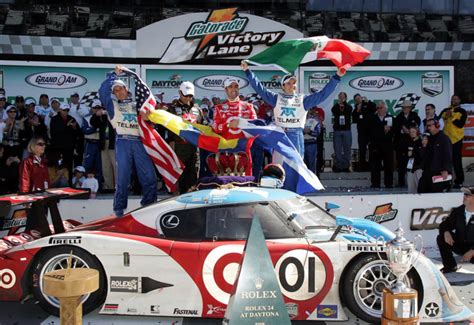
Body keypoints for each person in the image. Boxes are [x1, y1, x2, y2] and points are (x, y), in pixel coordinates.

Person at [241, 60, 344, 156]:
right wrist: (247, 71)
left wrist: (337, 77)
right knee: (279, 168)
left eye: (294, 83)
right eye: (289, 83)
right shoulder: (276, 98)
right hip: (280, 134)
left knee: (296, 168)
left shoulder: (303, 99)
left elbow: (323, 94)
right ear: (283, 86)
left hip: (296, 135)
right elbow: (260, 89)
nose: (292, 85)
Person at [99, 65, 157, 216]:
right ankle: (119, 210)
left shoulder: (137, 104)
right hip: (123, 141)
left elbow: (151, 120)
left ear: (127, 89)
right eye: (115, 91)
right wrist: (113, 75)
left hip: (139, 141)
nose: (118, 92)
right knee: (123, 178)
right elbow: (103, 91)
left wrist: (149, 117)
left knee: (149, 176)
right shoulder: (112, 106)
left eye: (120, 89)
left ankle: (148, 205)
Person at [211, 78, 261, 178]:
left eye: (236, 86)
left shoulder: (248, 106)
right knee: (226, 182)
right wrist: (228, 125)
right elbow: (215, 128)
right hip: (226, 151)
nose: (234, 89)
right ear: (225, 90)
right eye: (230, 87)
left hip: (244, 150)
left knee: (245, 180)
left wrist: (246, 125)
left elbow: (256, 127)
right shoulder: (219, 108)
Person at [167, 81, 202, 193]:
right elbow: (167, 129)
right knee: (180, 177)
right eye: (185, 95)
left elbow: (203, 127)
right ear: (179, 93)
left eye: (190, 95)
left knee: (193, 178)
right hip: (179, 147)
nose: (188, 98)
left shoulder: (197, 109)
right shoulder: (172, 109)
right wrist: (171, 143)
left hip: (194, 147)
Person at [436, 186, 474, 274]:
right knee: (441, 238)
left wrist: (472, 251)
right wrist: (446, 232)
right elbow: (445, 224)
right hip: (461, 245)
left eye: (467, 195)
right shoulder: (458, 211)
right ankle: (450, 266)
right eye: (464, 194)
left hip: (472, 250)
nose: (464, 196)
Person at [418, 118, 453, 193]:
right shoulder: (428, 139)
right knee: (421, 190)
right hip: (427, 172)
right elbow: (423, 156)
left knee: (436, 194)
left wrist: (445, 169)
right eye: (427, 126)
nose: (428, 128)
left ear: (437, 125)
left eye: (430, 125)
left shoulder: (444, 138)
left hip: (438, 172)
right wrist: (424, 146)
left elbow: (448, 155)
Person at [440, 95, 467, 188]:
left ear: (459, 100)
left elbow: (460, 124)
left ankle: (459, 181)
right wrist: (446, 116)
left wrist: (452, 117)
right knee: (446, 161)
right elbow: (440, 118)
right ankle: (446, 181)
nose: (453, 100)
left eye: (455, 99)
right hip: (446, 139)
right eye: (452, 99)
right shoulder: (447, 109)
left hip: (456, 139)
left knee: (456, 161)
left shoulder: (462, 111)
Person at [393, 100, 421, 187]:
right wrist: (402, 130)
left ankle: (412, 182)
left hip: (412, 143)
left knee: (411, 163)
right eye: (403, 107)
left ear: (410, 108)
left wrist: (408, 130)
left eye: (406, 107)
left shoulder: (415, 116)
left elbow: (417, 126)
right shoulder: (398, 117)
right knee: (401, 164)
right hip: (401, 144)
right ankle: (401, 183)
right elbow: (395, 129)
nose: (404, 108)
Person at [50, 103, 78, 184]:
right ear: (60, 110)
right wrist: (66, 126)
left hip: (69, 148)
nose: (66, 112)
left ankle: (68, 184)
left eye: (67, 110)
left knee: (69, 166)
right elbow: (54, 132)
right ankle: (56, 184)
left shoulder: (72, 119)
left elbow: (76, 133)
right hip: (57, 148)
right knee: (58, 166)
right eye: (64, 110)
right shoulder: (54, 119)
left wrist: (74, 128)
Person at [368, 101, 394, 188]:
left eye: (381, 107)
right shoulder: (372, 118)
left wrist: (390, 129)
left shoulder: (391, 118)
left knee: (388, 165)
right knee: (375, 166)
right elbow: (370, 131)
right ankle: (375, 183)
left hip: (387, 145)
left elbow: (395, 131)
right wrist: (382, 127)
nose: (379, 109)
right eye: (378, 108)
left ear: (386, 108)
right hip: (375, 146)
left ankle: (389, 183)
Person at [82, 99, 106, 186]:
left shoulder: (104, 117)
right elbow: (85, 130)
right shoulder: (86, 117)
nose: (96, 109)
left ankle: (99, 186)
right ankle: (85, 185)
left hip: (100, 144)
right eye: (94, 107)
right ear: (91, 108)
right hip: (90, 143)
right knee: (87, 164)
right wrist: (95, 129)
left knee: (100, 166)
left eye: (98, 107)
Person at [351, 93, 376, 171]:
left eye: (359, 98)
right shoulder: (356, 108)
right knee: (362, 149)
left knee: (372, 149)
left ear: (361, 98)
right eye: (356, 99)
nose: (358, 100)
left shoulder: (368, 104)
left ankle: (372, 166)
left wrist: (368, 102)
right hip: (361, 132)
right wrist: (357, 110)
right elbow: (354, 119)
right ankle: (362, 166)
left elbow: (374, 108)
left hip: (371, 131)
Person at [331, 92, 352, 172]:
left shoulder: (348, 106)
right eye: (340, 97)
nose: (341, 98)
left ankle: (346, 166)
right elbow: (333, 110)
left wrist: (344, 104)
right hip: (337, 130)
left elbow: (349, 111)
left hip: (346, 130)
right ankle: (339, 166)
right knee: (337, 148)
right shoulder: (336, 106)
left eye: (343, 97)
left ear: (346, 98)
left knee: (347, 148)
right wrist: (338, 104)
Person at [406, 125, 425, 194]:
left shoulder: (421, 142)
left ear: (417, 132)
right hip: (410, 168)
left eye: (413, 131)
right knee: (410, 190)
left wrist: (413, 154)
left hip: (419, 168)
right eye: (410, 132)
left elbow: (422, 156)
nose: (412, 133)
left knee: (419, 189)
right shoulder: (409, 142)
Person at [303, 108, 321, 173]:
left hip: (311, 144)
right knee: (302, 164)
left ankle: (312, 179)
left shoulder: (315, 120)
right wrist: (303, 132)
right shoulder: (300, 120)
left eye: (308, 110)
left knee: (311, 163)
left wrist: (309, 132)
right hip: (301, 144)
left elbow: (318, 132)